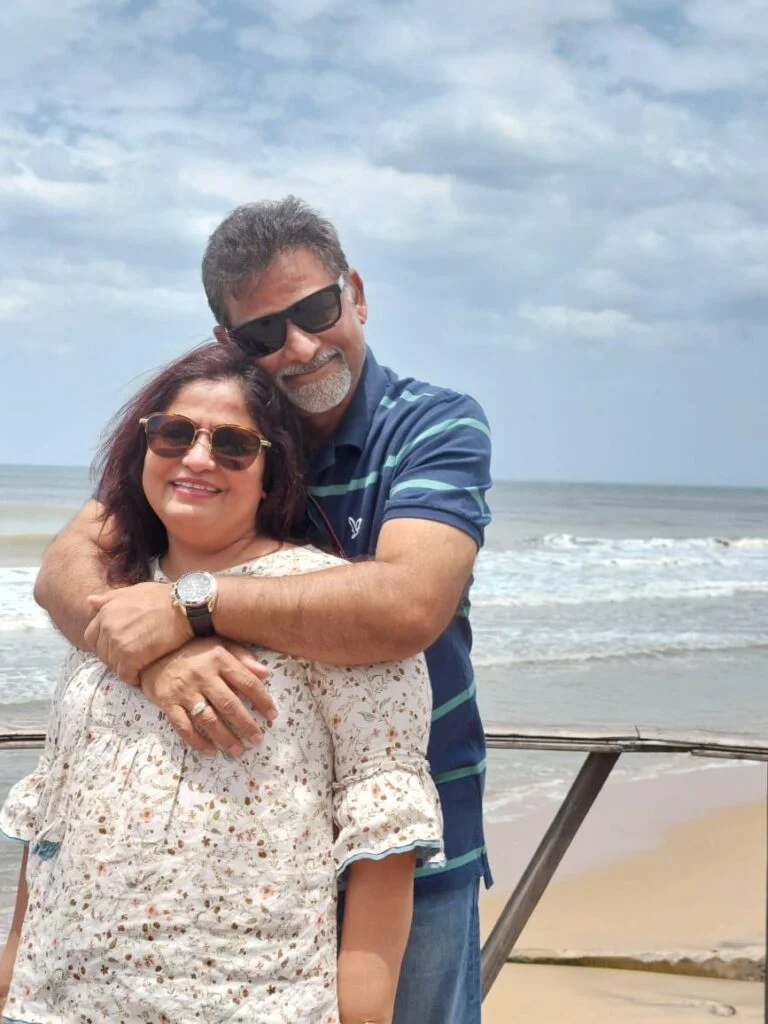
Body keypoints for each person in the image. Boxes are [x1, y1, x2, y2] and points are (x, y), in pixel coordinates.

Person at [33, 197, 493, 1024]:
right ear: (229, 341)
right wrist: (161, 658)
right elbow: (66, 570)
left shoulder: (429, 425)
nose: (302, 346)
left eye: (316, 310)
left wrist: (188, 606)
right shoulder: (210, 434)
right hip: (240, 873)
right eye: (264, 333)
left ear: (356, 293)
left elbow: (407, 605)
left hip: (405, 842)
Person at [0, 344, 443, 1023]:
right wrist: (12, 974)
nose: (198, 459)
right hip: (59, 1004)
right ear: (143, 449)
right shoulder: (110, 605)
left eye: (233, 445)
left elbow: (383, 843)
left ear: (271, 474)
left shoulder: (329, 609)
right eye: (173, 434)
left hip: (249, 1003)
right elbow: (55, 812)